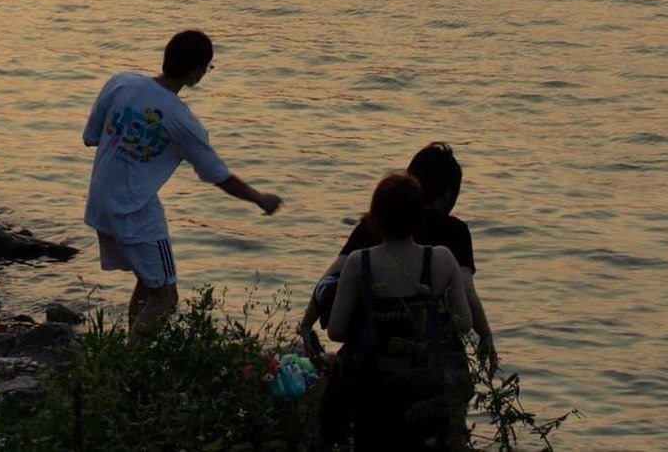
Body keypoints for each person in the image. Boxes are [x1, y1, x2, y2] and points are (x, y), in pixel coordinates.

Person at [82, 29, 283, 337]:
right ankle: (129, 368)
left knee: (149, 284)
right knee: (165, 296)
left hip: (100, 201)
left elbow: (90, 137)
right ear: (195, 72)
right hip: (136, 212)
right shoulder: (182, 120)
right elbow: (219, 175)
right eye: (206, 68)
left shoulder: (121, 82)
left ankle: (127, 355)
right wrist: (259, 198)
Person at [301, 142, 496, 365]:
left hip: (371, 367)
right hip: (429, 367)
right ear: (446, 195)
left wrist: (306, 325)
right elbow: (466, 299)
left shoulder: (370, 227)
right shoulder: (453, 234)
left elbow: (328, 281)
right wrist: (486, 336)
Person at [325, 172, 476, 452]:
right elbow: (464, 324)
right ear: (419, 218)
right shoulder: (441, 259)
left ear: (376, 217)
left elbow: (335, 330)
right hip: (427, 389)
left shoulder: (360, 262)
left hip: (374, 392)